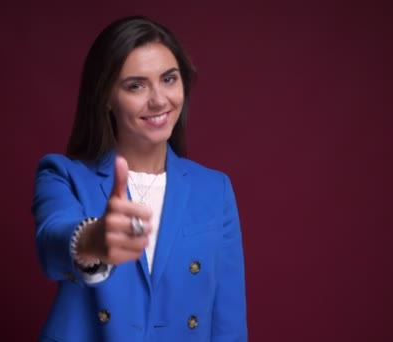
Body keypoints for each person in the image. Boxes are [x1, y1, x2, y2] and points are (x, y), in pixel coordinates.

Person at [31, 15, 247, 341]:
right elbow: (53, 242)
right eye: (136, 85)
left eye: (169, 79)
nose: (159, 99)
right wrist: (93, 240)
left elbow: (228, 321)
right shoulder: (62, 175)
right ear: (105, 97)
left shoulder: (215, 189)